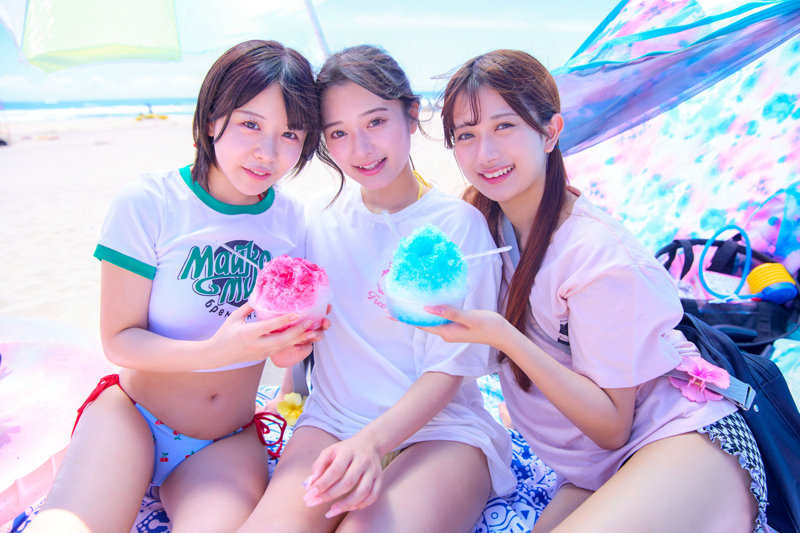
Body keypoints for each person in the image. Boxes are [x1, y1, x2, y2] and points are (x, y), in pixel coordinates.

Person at [422, 49, 768, 532]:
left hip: (681, 437)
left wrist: (504, 337)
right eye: (466, 135)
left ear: (550, 132)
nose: (486, 153)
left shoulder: (597, 255)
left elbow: (611, 426)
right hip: (591, 469)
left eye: (505, 126)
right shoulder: (483, 227)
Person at [27, 40, 323, 533]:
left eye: (290, 133)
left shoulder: (294, 223)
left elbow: (283, 345)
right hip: (132, 418)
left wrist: (292, 348)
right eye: (250, 124)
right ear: (211, 120)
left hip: (226, 440)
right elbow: (119, 340)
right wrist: (217, 351)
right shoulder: (150, 203)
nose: (267, 152)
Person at [238, 45, 515, 533]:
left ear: (411, 114)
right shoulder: (316, 220)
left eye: (376, 122)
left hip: (442, 431)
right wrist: (285, 362)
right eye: (338, 133)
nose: (361, 149)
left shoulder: (458, 227)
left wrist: (373, 443)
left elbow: (449, 369)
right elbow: (299, 336)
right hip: (332, 422)